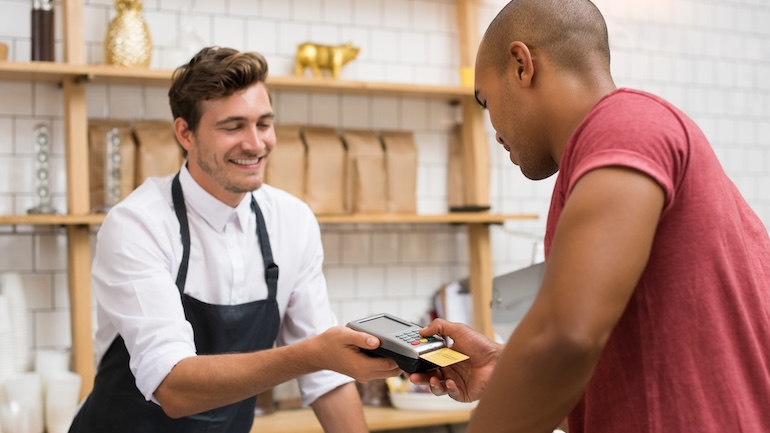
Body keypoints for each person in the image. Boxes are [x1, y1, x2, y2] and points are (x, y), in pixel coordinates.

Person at [408, 1, 770, 432]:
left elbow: (564, 338)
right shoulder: (624, 143)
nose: (495, 129)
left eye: (486, 102)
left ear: (522, 65)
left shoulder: (625, 126)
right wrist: (504, 373)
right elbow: (628, 382)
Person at [68, 47, 401, 433]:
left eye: (263, 123)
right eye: (233, 127)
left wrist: (321, 358)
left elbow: (326, 378)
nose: (255, 144)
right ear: (185, 133)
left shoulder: (292, 221)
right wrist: (312, 355)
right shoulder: (137, 224)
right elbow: (173, 388)